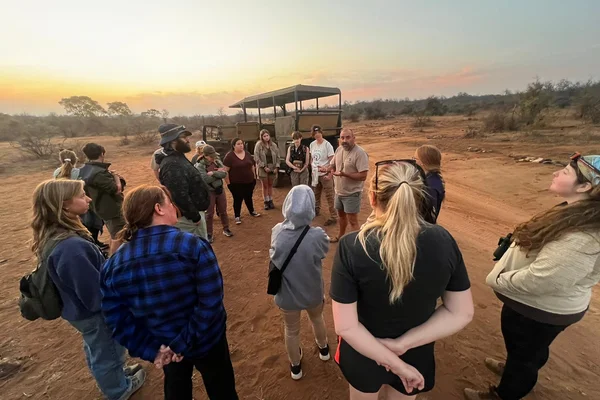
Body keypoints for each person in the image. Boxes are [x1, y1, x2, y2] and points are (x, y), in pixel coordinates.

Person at [330, 160, 474, 399]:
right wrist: (403, 346)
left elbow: (346, 326)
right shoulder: (443, 240)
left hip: (363, 352)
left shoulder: (352, 246)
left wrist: (395, 365)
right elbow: (461, 313)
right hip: (416, 352)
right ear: (419, 197)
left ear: (373, 199)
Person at [465, 153, 600, 400]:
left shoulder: (582, 235)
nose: (556, 173)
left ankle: (506, 392)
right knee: (528, 350)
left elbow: (546, 279)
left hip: (540, 308)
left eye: (566, 172)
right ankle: (515, 368)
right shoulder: (577, 213)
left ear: (585, 186)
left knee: (525, 354)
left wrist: (498, 280)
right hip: (540, 306)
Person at [101, 185, 238, 400]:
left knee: (176, 388)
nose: (174, 207)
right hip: (205, 340)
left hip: (164, 346)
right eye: (169, 202)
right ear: (159, 208)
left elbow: (116, 319)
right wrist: (180, 343)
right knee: (222, 389)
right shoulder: (193, 246)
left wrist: (154, 350)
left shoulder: (114, 264)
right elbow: (210, 303)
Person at [31, 179, 145, 400]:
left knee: (98, 348)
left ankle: (116, 377)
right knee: (108, 351)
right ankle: (119, 390)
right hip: (94, 313)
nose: (89, 198)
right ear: (64, 204)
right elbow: (95, 296)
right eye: (82, 195)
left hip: (78, 310)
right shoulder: (71, 248)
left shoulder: (59, 235)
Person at [270, 185, 330, 380]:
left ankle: (295, 367)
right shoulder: (317, 235)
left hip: (287, 295)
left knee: (291, 329)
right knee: (317, 319)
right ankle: (324, 350)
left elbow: (274, 256)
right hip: (312, 291)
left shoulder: (277, 231)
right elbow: (322, 252)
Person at [155, 124, 210, 240]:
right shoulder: (172, 164)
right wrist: (195, 217)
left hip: (192, 216)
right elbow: (179, 195)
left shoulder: (177, 158)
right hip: (189, 220)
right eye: (183, 137)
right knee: (197, 251)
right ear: (173, 141)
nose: (187, 140)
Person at [53, 149, 107, 250]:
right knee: (93, 222)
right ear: (75, 160)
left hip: (66, 203)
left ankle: (91, 242)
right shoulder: (78, 172)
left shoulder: (56, 172)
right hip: (80, 200)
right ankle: (93, 242)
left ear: (61, 160)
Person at [79, 143, 126, 254]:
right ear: (102, 154)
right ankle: (114, 261)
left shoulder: (85, 170)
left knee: (114, 233)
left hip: (99, 206)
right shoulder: (99, 173)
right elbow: (116, 189)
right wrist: (116, 177)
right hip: (111, 208)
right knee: (118, 237)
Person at [324, 128, 369, 243]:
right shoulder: (339, 149)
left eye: (348, 137)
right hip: (339, 192)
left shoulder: (360, 153)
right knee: (341, 217)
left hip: (352, 193)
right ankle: (340, 237)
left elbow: (363, 176)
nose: (344, 140)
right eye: (342, 137)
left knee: (353, 221)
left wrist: (344, 174)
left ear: (354, 138)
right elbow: (332, 165)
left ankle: (359, 245)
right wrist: (327, 169)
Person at [196, 145, 233, 243]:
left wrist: (213, 173)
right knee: (209, 214)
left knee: (223, 211)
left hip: (219, 190)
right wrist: (218, 174)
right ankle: (209, 233)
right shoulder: (200, 165)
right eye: (211, 156)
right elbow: (205, 179)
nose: (213, 158)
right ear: (206, 156)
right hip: (209, 192)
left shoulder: (217, 161)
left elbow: (224, 173)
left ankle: (226, 228)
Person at [223, 138, 260, 224]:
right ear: (233, 146)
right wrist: (229, 184)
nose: (241, 145)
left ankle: (252, 211)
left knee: (248, 197)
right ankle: (237, 216)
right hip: (236, 183)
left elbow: (252, 167)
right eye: (238, 144)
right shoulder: (229, 156)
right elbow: (225, 171)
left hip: (249, 181)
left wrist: (254, 178)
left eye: (242, 144)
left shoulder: (247, 154)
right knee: (237, 199)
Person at [309, 125, 336, 226]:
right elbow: (312, 158)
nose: (317, 135)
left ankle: (333, 216)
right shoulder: (312, 144)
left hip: (325, 173)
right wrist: (312, 167)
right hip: (316, 173)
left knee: (329, 195)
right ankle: (316, 210)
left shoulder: (327, 145)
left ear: (321, 133)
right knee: (316, 193)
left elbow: (332, 160)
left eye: (318, 133)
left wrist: (329, 173)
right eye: (315, 133)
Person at [414, 145, 445, 219]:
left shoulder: (430, 186)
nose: (413, 161)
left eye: (415, 158)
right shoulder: (432, 178)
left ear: (423, 162)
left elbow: (429, 216)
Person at [254, 129, 280, 210]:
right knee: (265, 185)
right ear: (261, 137)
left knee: (270, 185)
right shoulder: (259, 145)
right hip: (263, 168)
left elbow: (278, 157)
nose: (266, 137)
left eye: (267, 135)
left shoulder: (274, 145)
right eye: (264, 136)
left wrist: (276, 167)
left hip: (272, 167)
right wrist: (264, 167)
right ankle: (266, 201)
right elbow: (256, 157)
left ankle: (270, 200)